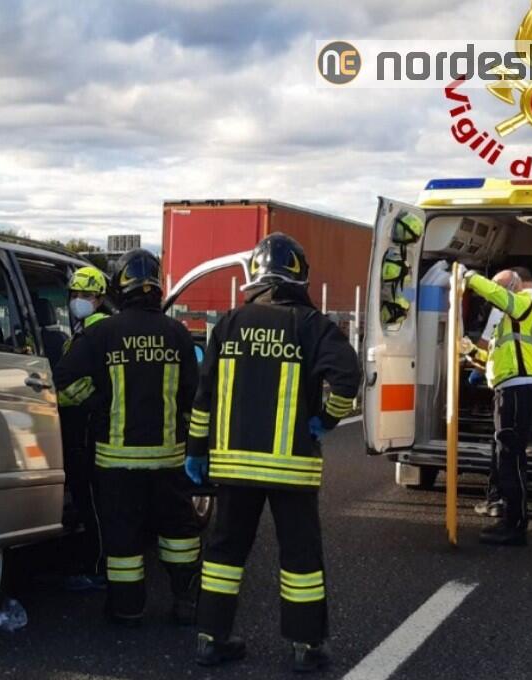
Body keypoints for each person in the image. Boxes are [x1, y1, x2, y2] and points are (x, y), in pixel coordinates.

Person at [184, 233, 360, 673]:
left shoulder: (227, 323)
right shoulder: (310, 323)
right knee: (299, 556)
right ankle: (305, 647)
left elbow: (203, 396)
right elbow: (348, 377)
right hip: (291, 467)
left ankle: (210, 639)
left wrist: (196, 450)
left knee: (225, 552)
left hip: (233, 465)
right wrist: (328, 418)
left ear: (256, 277)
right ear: (299, 275)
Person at [54, 249, 201, 627]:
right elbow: (194, 394)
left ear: (120, 286)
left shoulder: (102, 333)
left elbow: (64, 383)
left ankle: (127, 609)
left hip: (116, 461)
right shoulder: (178, 333)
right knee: (178, 533)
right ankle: (185, 602)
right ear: (157, 286)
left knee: (123, 540)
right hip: (169, 458)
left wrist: (100, 398)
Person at [458, 267, 532, 546]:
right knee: (507, 457)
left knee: (511, 457)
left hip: (518, 390)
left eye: (499, 289)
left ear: (513, 287)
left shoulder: (524, 305)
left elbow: (497, 294)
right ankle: (510, 519)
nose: (491, 298)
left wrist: (469, 278)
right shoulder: (506, 324)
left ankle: (515, 525)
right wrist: (470, 351)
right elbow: (491, 362)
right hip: (510, 389)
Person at [474, 267, 532, 523]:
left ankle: (498, 500)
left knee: (507, 446)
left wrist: (468, 277)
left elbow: (486, 344)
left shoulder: (510, 305)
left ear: (514, 284)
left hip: (517, 383)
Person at [57, 265, 111, 591]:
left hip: (88, 427)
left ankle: (98, 567)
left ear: (100, 298)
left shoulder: (94, 332)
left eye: (86, 295)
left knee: (91, 501)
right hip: (87, 426)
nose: (79, 300)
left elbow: (65, 379)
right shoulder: (84, 330)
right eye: (75, 294)